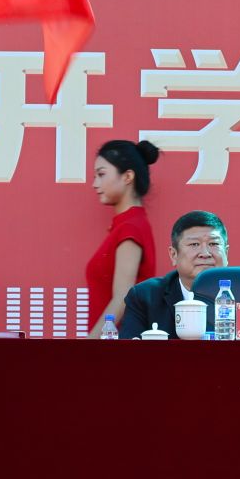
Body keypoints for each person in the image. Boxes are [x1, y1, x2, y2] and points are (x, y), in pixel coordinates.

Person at [86, 139, 160, 336]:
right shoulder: (127, 225)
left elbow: (123, 297)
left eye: (101, 174)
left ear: (127, 176)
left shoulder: (131, 228)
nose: (95, 184)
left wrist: (89, 343)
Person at [122, 210, 232, 338]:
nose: (205, 253)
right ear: (174, 255)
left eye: (213, 244)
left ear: (226, 253)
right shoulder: (145, 297)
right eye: (194, 244)